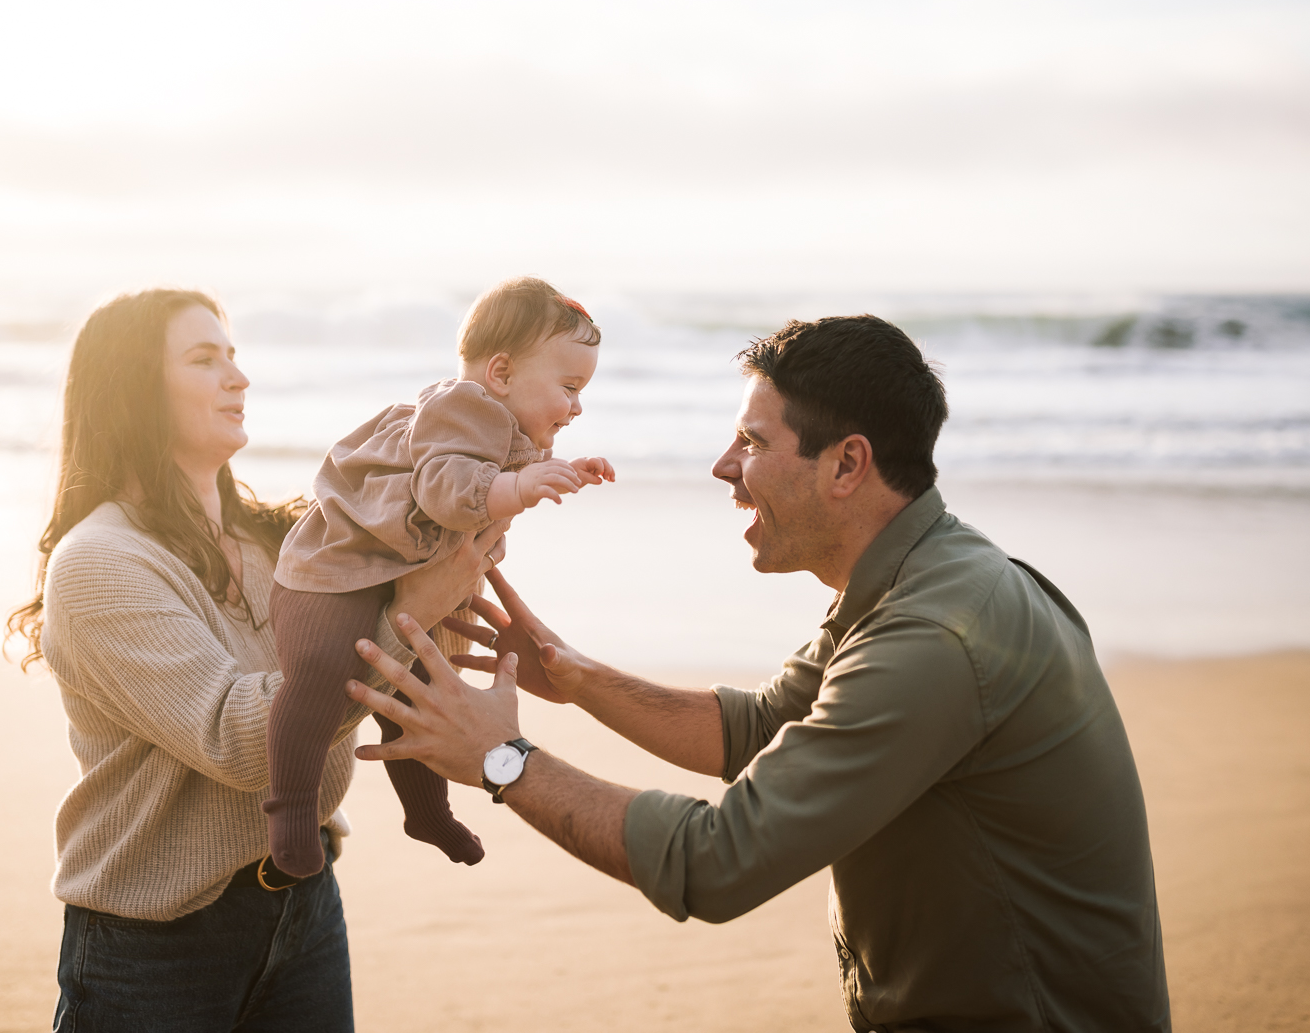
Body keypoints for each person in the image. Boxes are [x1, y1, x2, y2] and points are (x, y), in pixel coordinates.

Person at [347, 314, 1172, 1032]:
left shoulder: (934, 636)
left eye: (752, 442)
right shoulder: (926, 576)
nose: (722, 467)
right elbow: (760, 728)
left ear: (847, 465)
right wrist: (572, 673)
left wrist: (501, 761)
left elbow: (717, 861)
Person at [6, 288, 505, 1033]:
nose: (238, 379)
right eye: (204, 361)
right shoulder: (99, 563)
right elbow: (242, 742)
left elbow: (413, 614)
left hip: (304, 904)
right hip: (155, 945)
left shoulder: (286, 543)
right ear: (133, 390)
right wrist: (411, 611)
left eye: (234, 357)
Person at [265, 276, 614, 880]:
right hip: (333, 575)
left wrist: (558, 468)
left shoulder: (500, 425)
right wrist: (519, 488)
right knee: (320, 676)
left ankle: (426, 812)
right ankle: (292, 808)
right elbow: (447, 492)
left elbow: (507, 466)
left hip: (389, 575)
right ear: (500, 374)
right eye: (569, 387)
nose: (577, 406)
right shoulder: (461, 409)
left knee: (424, 694)